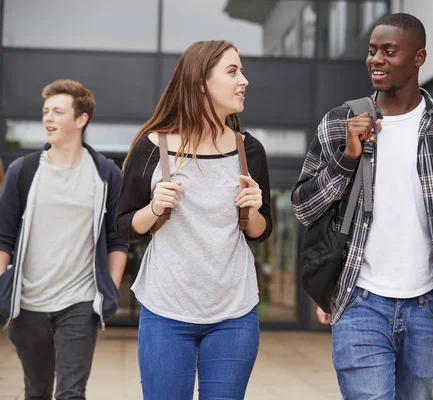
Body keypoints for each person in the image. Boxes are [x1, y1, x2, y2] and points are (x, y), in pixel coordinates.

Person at [291, 13, 433, 399]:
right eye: (372, 51)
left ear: (419, 57)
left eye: (389, 52)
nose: (376, 60)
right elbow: (303, 208)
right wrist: (346, 158)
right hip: (359, 300)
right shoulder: (340, 122)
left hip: (429, 307)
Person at [115, 40, 272, 400]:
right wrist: (154, 208)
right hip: (166, 311)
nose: (243, 80)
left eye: (242, 71)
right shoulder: (153, 147)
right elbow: (124, 226)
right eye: (232, 71)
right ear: (201, 83)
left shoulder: (249, 150)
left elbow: (261, 232)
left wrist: (252, 211)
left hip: (234, 313)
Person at [0, 79, 129, 399]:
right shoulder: (24, 171)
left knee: (71, 392)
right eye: (46, 112)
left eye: (58, 112)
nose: (48, 118)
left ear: (81, 119)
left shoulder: (105, 174)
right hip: (28, 304)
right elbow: (3, 236)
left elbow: (117, 239)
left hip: (79, 304)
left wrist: (108, 292)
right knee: (38, 391)